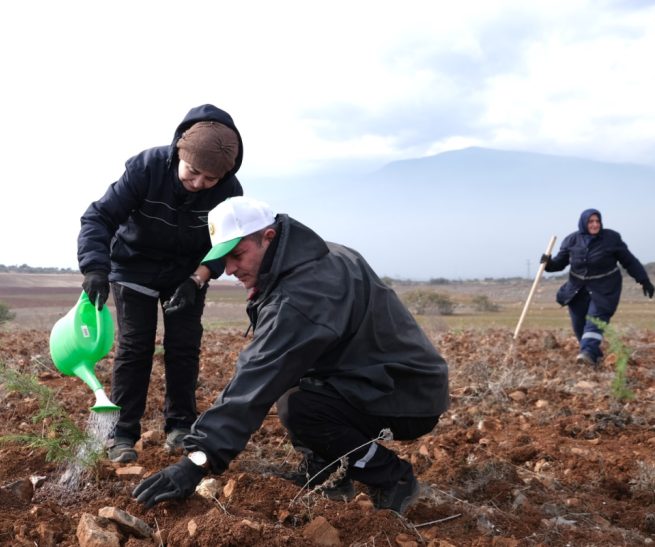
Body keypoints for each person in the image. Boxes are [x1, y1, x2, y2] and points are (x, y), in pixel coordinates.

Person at [132, 196, 450, 516]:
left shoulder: (302, 291)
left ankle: (392, 477)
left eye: (237, 255)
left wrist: (197, 460)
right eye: (223, 258)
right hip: (385, 375)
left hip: (408, 392)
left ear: (267, 237)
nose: (229, 270)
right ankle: (327, 474)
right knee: (294, 383)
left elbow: (258, 375)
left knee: (300, 406)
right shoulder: (310, 255)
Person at [78, 105, 244, 463]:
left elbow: (228, 243)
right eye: (193, 172)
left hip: (185, 274)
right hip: (133, 267)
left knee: (184, 347)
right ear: (178, 154)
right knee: (136, 348)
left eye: (210, 180)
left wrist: (198, 278)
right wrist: (95, 268)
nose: (198, 184)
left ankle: (181, 428)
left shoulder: (230, 190)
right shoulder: (146, 168)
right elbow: (99, 217)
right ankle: (122, 435)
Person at [542, 209, 653, 366]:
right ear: (583, 223)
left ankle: (587, 352)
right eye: (590, 221)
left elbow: (629, 261)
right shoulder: (571, 240)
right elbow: (560, 263)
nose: (595, 224)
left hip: (605, 287)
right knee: (579, 325)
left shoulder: (611, 238)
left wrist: (643, 280)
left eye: (597, 221)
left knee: (596, 320)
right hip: (577, 288)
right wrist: (548, 263)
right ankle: (595, 356)